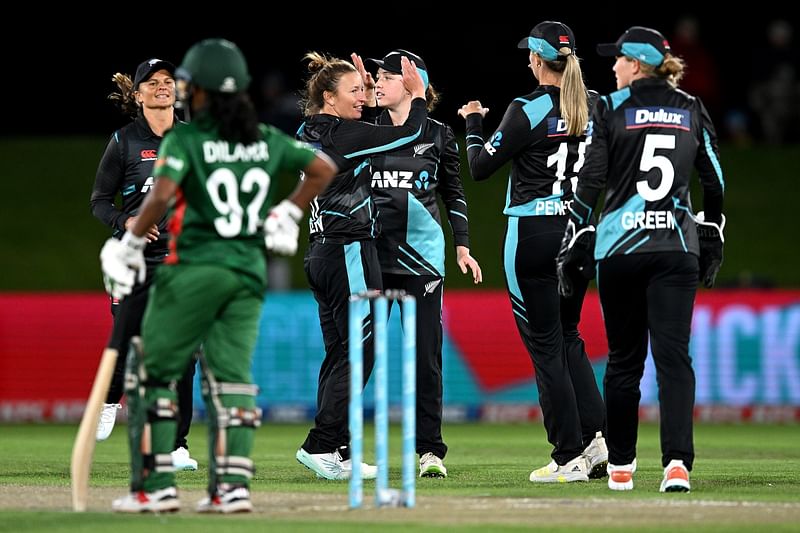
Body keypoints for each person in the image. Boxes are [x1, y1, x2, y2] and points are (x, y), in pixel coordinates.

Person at [100, 38, 336, 513]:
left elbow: (161, 198)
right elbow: (322, 167)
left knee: (155, 374)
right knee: (231, 380)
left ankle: (154, 486)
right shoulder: (263, 138)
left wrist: (128, 243)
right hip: (247, 274)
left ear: (199, 89)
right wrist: (287, 213)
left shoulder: (186, 138)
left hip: (191, 268)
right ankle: (231, 490)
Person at [557, 26, 725, 493]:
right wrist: (712, 232)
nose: (612, 67)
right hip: (675, 248)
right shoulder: (690, 107)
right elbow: (714, 179)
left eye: (618, 60)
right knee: (674, 360)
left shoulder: (610, 108)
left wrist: (576, 236)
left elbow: (590, 179)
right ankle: (676, 465)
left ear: (635, 64)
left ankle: (622, 466)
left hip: (621, 251)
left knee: (623, 361)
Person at [457, 21, 607, 483]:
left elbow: (481, 167)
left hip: (533, 235)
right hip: (580, 233)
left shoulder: (529, 106)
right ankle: (598, 442)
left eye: (530, 54)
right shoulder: (596, 104)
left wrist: (474, 123)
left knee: (546, 348)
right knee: (569, 337)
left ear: (541, 60)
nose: (526, 59)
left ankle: (568, 457)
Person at [294, 51, 428, 480]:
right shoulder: (343, 136)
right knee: (363, 349)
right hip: (349, 249)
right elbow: (410, 133)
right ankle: (321, 444)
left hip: (320, 252)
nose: (365, 97)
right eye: (355, 91)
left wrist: (362, 89)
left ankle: (340, 449)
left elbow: (361, 128)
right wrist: (419, 96)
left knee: (340, 352)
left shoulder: (309, 130)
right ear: (330, 98)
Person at [365, 49, 482, 478]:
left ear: (415, 84)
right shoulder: (364, 129)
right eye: (377, 76)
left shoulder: (437, 134)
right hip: (371, 258)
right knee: (356, 353)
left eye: (388, 76)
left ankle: (429, 450)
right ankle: (337, 445)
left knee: (425, 360)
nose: (379, 82)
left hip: (422, 261)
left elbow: (454, 192)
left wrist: (463, 245)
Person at [89, 58, 198, 471]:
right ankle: (109, 396)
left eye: (168, 81)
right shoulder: (123, 141)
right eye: (153, 83)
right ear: (138, 95)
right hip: (133, 261)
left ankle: (177, 446)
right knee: (128, 343)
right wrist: (127, 221)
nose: (163, 87)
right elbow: (99, 201)